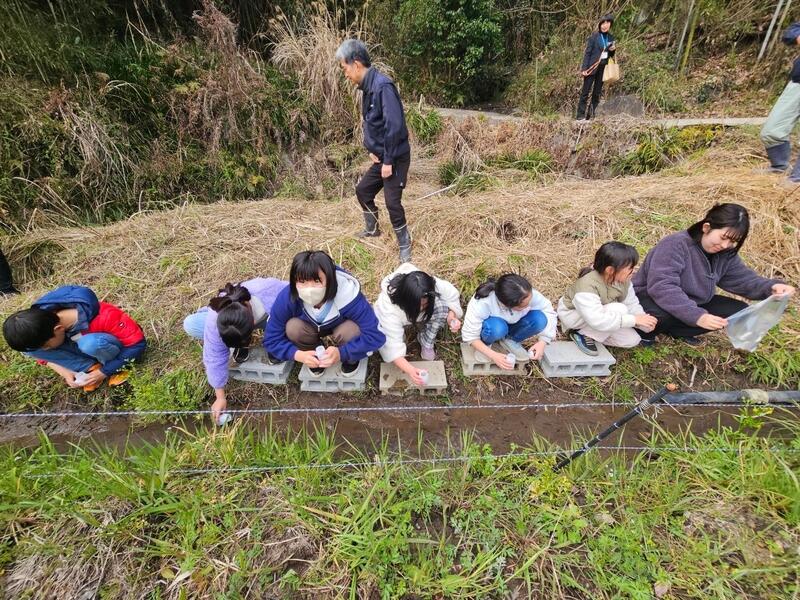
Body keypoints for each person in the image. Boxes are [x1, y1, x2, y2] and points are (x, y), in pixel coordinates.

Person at [633, 203, 795, 345]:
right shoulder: (675, 245)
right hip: (650, 300)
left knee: (738, 310)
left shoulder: (725, 254)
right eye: (724, 237)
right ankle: (645, 335)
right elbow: (662, 287)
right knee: (662, 314)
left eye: (732, 241)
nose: (725, 245)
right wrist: (697, 316)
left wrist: (771, 287)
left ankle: (678, 331)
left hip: (690, 303)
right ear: (706, 228)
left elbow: (743, 280)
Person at [336, 39, 413, 262]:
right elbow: (375, 123)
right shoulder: (368, 88)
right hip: (382, 156)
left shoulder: (382, 87)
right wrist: (372, 149)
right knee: (363, 191)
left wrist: (388, 161)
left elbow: (394, 126)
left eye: (345, 68)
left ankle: (405, 245)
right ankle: (372, 229)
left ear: (356, 64)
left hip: (394, 157)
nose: (345, 74)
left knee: (392, 202)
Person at [2, 285, 146, 391]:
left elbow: (137, 345)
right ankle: (91, 368)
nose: (46, 350)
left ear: (58, 329)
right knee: (30, 349)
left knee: (89, 343)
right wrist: (64, 372)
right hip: (80, 345)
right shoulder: (43, 322)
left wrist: (104, 372)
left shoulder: (105, 316)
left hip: (114, 349)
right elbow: (38, 353)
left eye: (46, 346)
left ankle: (117, 369)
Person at [264, 250, 385, 376]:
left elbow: (376, 336)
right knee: (293, 327)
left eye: (317, 281)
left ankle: (351, 359)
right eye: (302, 281)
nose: (309, 289)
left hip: (341, 326)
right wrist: (298, 354)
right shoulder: (288, 297)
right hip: (308, 327)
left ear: (330, 278)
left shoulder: (349, 294)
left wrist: (343, 353)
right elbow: (270, 339)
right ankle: (313, 355)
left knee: (351, 331)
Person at [183, 278, 288, 422]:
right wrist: (220, 397)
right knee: (191, 324)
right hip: (236, 321)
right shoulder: (216, 319)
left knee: (288, 324)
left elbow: (298, 300)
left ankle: (272, 340)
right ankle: (238, 342)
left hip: (270, 315)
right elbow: (214, 356)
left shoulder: (269, 290)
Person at [558, 241, 657, 355]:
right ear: (610, 270)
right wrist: (633, 320)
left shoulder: (623, 281)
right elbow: (596, 319)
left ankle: (591, 335)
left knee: (632, 340)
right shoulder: (587, 286)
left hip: (601, 315)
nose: (633, 271)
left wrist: (643, 322)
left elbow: (631, 303)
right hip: (575, 318)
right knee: (619, 309)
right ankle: (582, 334)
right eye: (630, 268)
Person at [374, 263, 463, 386]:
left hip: (413, 313)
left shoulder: (428, 285)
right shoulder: (388, 308)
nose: (422, 308)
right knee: (394, 339)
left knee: (441, 307)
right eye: (418, 305)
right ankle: (404, 336)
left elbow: (451, 295)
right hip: (399, 316)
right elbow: (390, 345)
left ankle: (426, 341)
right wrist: (411, 370)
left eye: (425, 304)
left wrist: (451, 317)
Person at [461, 274, 557, 370]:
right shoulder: (482, 302)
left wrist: (543, 341)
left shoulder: (525, 294)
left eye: (529, 302)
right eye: (524, 306)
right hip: (493, 327)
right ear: (507, 306)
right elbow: (470, 336)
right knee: (497, 328)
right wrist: (493, 355)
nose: (529, 305)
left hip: (513, 325)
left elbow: (548, 310)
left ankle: (510, 339)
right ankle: (486, 344)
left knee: (539, 319)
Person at [758, 21, 800, 181]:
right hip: (797, 83)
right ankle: (780, 166)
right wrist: (798, 36)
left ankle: (797, 178)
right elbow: (790, 33)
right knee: (772, 130)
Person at [577, 14, 616, 121]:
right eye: (603, 23)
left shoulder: (611, 38)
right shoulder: (594, 37)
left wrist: (613, 50)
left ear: (610, 24)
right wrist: (584, 69)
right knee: (585, 91)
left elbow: (610, 55)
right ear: (600, 24)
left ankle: (591, 114)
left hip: (603, 68)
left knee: (597, 92)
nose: (605, 25)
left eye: (607, 23)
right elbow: (587, 53)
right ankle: (580, 115)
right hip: (592, 67)